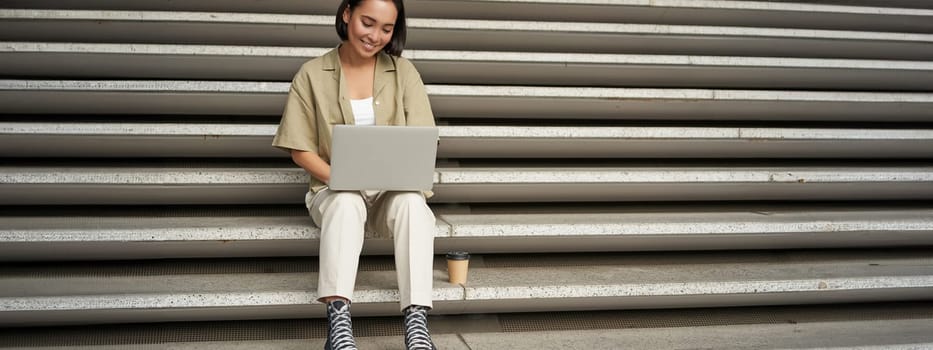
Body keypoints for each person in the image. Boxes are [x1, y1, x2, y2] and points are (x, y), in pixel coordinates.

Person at [272, 0, 437, 349]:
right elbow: (299, 148)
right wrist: (340, 177)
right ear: (347, 13)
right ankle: (339, 323)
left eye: (387, 29)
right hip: (333, 191)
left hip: (390, 193)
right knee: (346, 202)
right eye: (368, 22)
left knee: (413, 205)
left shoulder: (404, 73)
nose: (375, 36)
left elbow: (423, 138)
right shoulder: (312, 74)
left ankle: (417, 324)